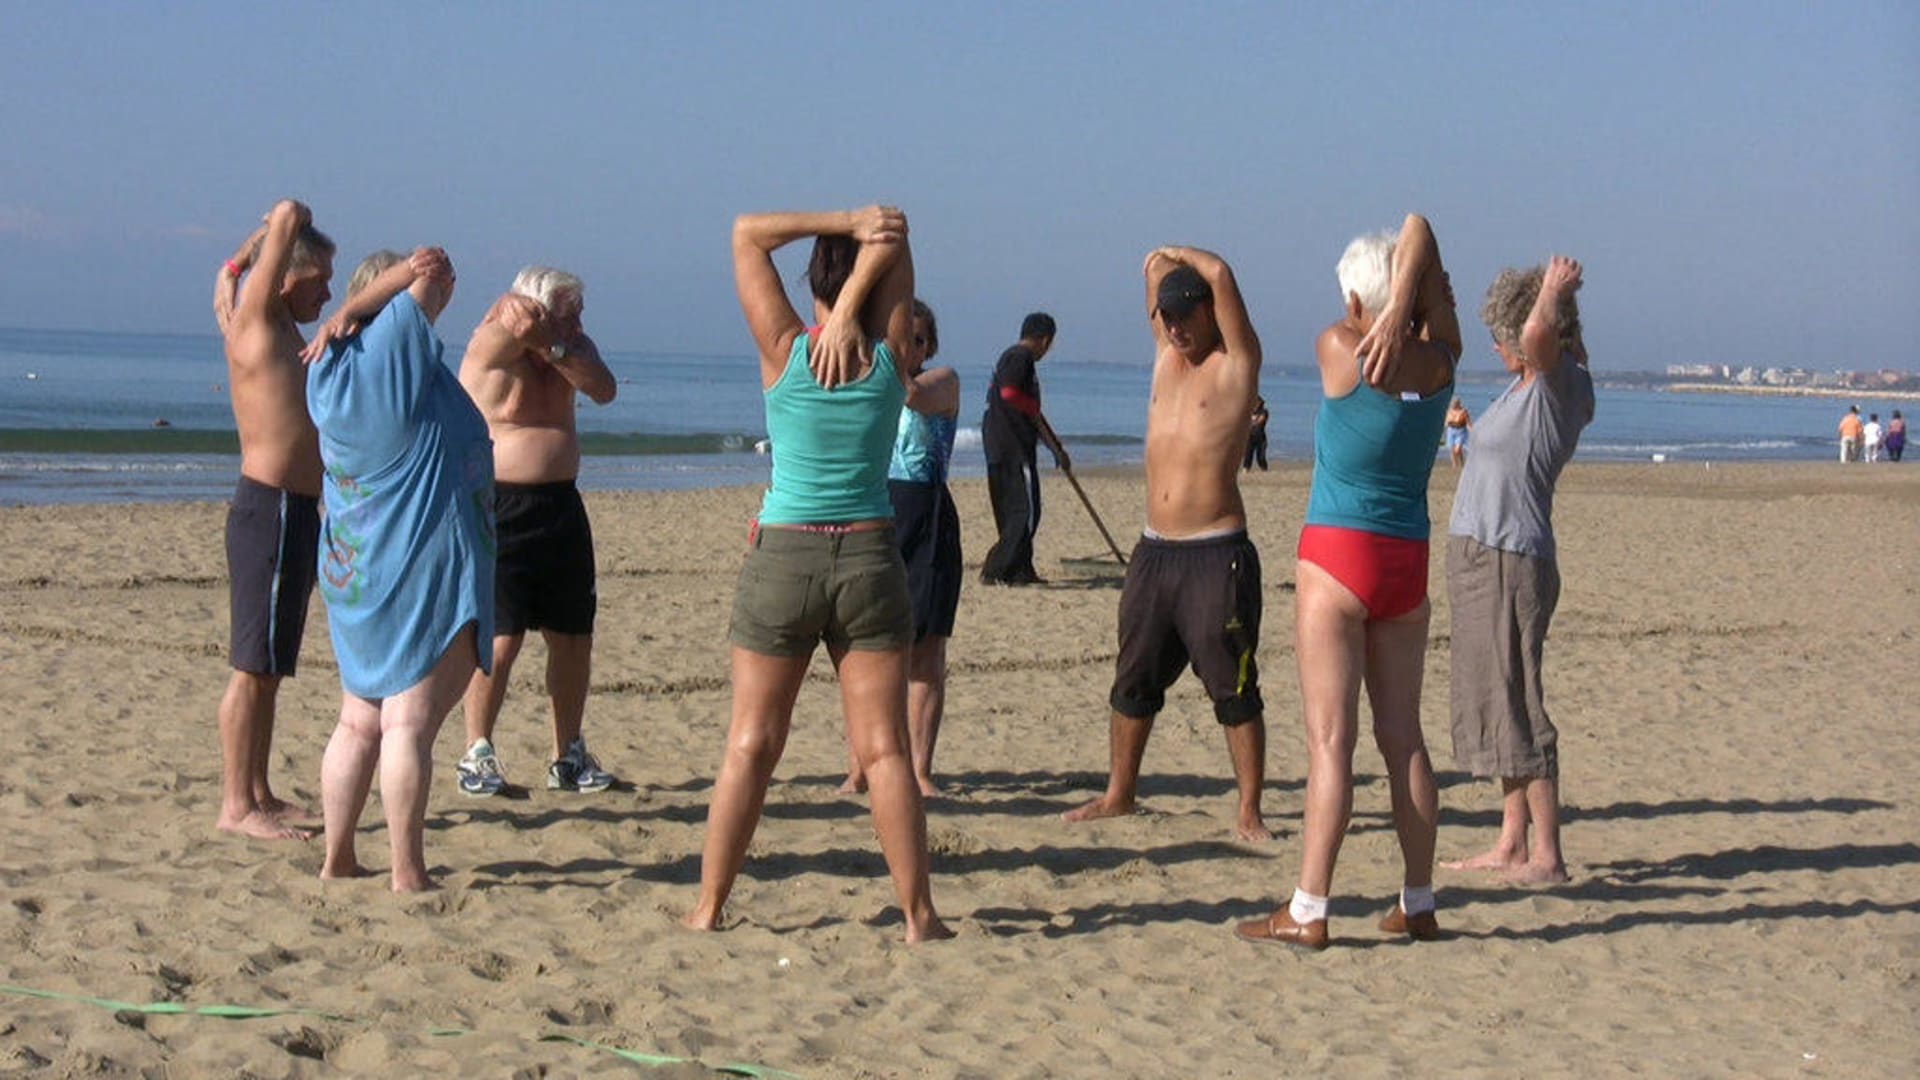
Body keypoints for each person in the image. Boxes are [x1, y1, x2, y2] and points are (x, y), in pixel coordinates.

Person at [683, 205, 950, 943]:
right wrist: (864, 276)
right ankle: (920, 917)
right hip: (869, 555)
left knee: (751, 745)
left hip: (786, 557)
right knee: (886, 749)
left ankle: (708, 908)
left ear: (811, 286)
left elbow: (745, 232)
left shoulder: (784, 350)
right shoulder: (891, 358)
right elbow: (898, 233)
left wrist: (840, 222)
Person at [1236, 214, 1460, 949]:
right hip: (1405, 558)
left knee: (1331, 742)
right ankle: (1418, 900)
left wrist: (1387, 312)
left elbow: (1413, 233)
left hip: (1339, 554)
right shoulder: (1443, 362)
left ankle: (1308, 908)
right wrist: (1411, 305)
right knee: (1405, 740)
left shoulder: (1340, 349)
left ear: (1360, 304)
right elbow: (1422, 229)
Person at [302, 247, 495, 892]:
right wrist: (373, 299)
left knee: (358, 720)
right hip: (413, 562)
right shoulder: (389, 351)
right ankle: (407, 870)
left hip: (356, 566)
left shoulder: (327, 367)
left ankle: (338, 856)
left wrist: (348, 313)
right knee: (406, 722)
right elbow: (434, 270)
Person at [1063, 247, 1270, 842]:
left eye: (1185, 315)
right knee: (1133, 677)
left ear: (1210, 311)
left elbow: (1221, 274)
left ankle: (1249, 809)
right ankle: (1119, 793)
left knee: (1231, 685)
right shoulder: (1164, 359)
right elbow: (1152, 266)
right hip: (1154, 552)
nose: (1175, 327)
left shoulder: (1235, 365)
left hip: (1215, 550)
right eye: (1167, 317)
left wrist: (1188, 256)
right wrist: (1166, 262)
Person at [1440, 256, 1595, 888]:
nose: (1497, 346)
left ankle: (1547, 856)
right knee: (1497, 701)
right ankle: (1511, 842)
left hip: (1510, 557)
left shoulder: (1558, 385)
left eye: (1501, 335)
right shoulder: (1529, 386)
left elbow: (1538, 336)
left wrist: (1552, 290)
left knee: (1521, 704)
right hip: (1485, 558)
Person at [454, 267, 619, 798]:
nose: (580, 324)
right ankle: (477, 752)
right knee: (501, 638)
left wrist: (558, 344)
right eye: (569, 313)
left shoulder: (571, 348)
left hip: (561, 506)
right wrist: (527, 321)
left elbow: (604, 390)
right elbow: (513, 327)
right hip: (502, 506)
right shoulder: (494, 340)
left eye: (580, 314)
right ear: (538, 308)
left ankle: (567, 754)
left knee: (573, 636)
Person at [208, 199, 335, 841]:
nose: (328, 293)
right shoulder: (256, 319)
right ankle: (236, 806)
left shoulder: (275, 320)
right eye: (319, 279)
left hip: (297, 509)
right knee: (251, 666)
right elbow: (286, 214)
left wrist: (235, 264)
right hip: (271, 506)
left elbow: (237, 271)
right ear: (283, 275)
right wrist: (273, 230)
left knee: (272, 667)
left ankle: (259, 790)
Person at [842, 300, 961, 797]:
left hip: (927, 519)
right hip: (875, 514)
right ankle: (860, 766)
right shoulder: (869, 386)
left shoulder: (942, 381)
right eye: (896, 338)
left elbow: (912, 396)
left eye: (915, 340)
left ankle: (919, 769)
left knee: (925, 652)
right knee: (865, 649)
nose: (906, 348)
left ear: (928, 347)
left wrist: (876, 360)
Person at [980, 312, 1069, 585]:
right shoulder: (1020, 357)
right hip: (1013, 449)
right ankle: (995, 568)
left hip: (1000, 447)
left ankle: (1021, 571)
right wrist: (1033, 409)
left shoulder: (1012, 358)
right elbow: (1010, 393)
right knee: (1026, 513)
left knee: (1013, 513)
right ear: (1045, 340)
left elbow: (1033, 414)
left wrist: (1055, 447)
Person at [1244, 396, 1270, 471]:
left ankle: (1264, 470)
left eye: (1258, 403)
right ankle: (1246, 470)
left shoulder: (1264, 411)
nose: (1256, 405)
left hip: (1261, 438)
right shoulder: (1249, 412)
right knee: (1248, 455)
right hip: (1250, 437)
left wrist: (1251, 422)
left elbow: (1260, 421)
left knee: (1261, 457)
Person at [1445, 397, 1473, 467]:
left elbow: (1468, 423)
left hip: (1461, 431)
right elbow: (1446, 422)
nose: (1452, 405)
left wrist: (1472, 431)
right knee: (1451, 449)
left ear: (1458, 404)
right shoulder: (1449, 411)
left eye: (1454, 404)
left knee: (1457, 450)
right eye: (1452, 404)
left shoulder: (1463, 411)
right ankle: (1455, 465)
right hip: (1451, 430)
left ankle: (1461, 463)